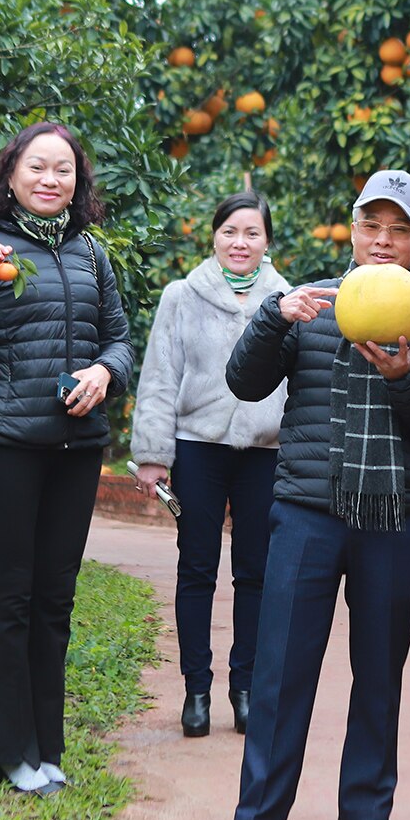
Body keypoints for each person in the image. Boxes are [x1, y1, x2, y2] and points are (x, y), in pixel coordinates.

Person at [211, 169, 410, 820]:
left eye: (399, 231)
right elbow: (243, 382)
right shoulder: (309, 305)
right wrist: (272, 318)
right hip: (305, 511)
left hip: (392, 519)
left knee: (379, 675)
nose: (382, 242)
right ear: (352, 231)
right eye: (371, 226)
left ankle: (366, 812)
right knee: (280, 673)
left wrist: (403, 375)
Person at [0, 122, 133, 798]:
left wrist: (105, 372)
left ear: (79, 183)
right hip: (7, 447)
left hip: (76, 450)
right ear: (10, 175)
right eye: (37, 167)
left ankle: (47, 746)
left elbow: (122, 340)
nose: (51, 179)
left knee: (55, 602)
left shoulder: (90, 253)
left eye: (64, 170)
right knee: (10, 600)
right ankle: (10, 750)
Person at [131, 191, 291, 740]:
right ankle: (195, 689)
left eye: (252, 233)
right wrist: (152, 456)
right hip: (197, 445)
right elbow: (158, 377)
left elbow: (302, 385)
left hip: (266, 452)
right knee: (196, 568)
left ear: (267, 241)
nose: (240, 242)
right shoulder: (182, 296)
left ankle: (242, 688)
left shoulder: (289, 298)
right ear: (214, 236)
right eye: (230, 232)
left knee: (256, 573)